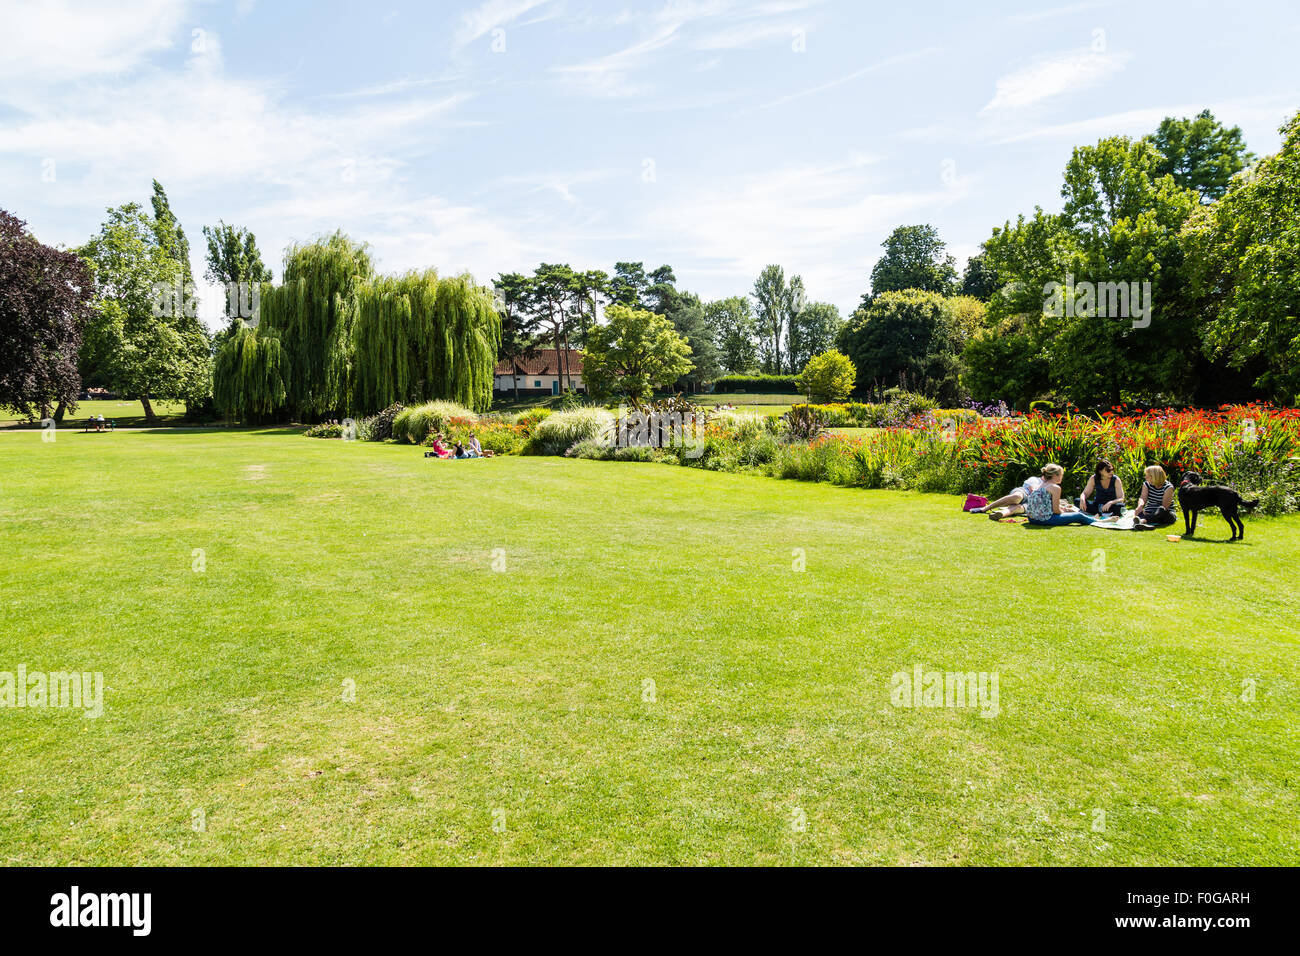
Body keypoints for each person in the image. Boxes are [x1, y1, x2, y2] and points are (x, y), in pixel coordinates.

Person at [1024, 463, 1116, 527]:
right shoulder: (1055, 488)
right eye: (1061, 475)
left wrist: (1063, 509)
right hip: (1045, 520)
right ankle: (1100, 521)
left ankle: (1090, 518)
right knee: (1078, 515)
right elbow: (1056, 511)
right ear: (1055, 475)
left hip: (1032, 519)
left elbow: (1044, 503)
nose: (1062, 477)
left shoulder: (1040, 485)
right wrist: (1066, 512)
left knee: (1072, 512)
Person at [973, 473, 1044, 519]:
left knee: (1018, 508)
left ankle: (1000, 514)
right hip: (1025, 493)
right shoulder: (1035, 479)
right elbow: (1032, 490)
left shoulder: (1052, 486)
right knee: (1017, 497)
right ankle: (985, 508)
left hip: (1032, 503)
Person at [1132, 464, 1177, 529]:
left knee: (1161, 510)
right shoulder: (1147, 484)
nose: (1145, 477)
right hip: (1149, 511)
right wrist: (1140, 506)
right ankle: (1143, 523)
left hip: (1165, 514)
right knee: (1139, 511)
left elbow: (1165, 506)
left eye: (1147, 476)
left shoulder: (1168, 487)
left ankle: (1143, 521)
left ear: (1154, 477)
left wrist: (1150, 514)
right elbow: (1142, 497)